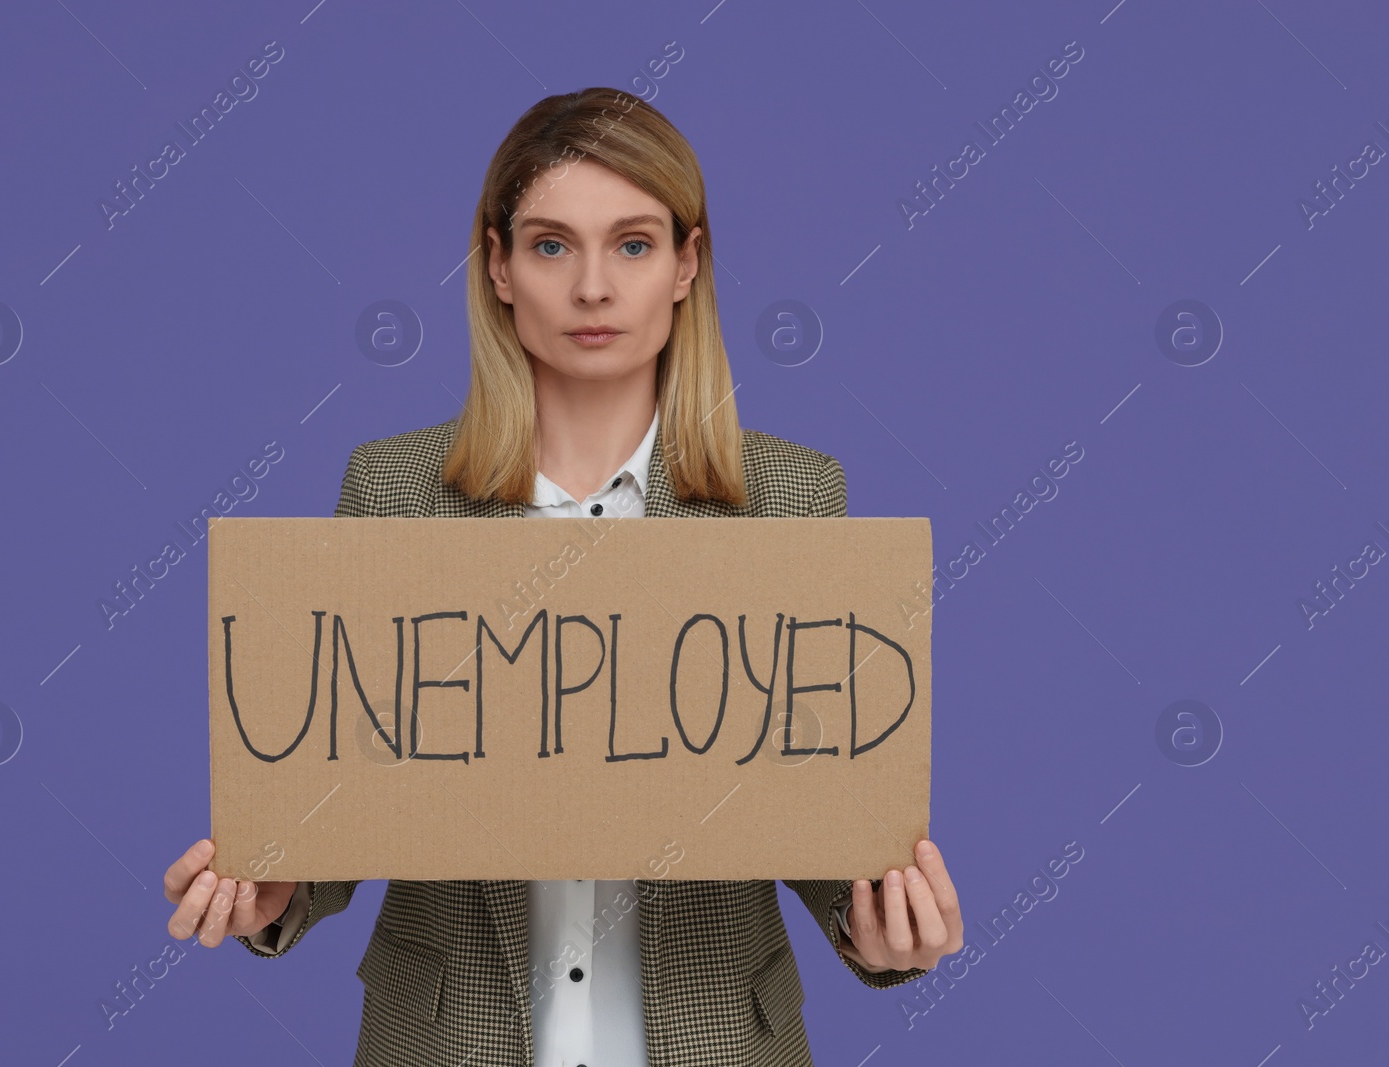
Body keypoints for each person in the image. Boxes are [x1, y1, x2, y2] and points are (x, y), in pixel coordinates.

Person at [164, 87, 964, 1067]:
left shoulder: (791, 495)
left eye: (632, 244)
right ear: (497, 264)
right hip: (450, 1038)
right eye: (551, 245)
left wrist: (879, 927)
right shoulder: (394, 487)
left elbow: (810, 805)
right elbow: (355, 787)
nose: (593, 286)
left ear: (686, 264)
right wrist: (279, 885)